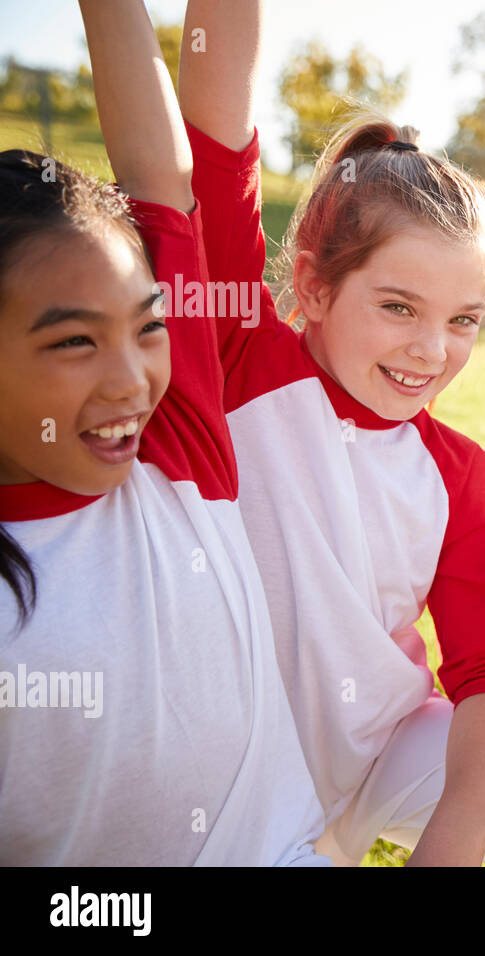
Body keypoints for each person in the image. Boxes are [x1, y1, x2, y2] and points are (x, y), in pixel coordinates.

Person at [175, 0, 485, 866]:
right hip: (220, 775)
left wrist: (453, 844)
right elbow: (213, 138)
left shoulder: (460, 476)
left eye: (463, 319)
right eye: (397, 307)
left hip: (377, 753)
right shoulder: (239, 358)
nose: (432, 351)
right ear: (311, 287)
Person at [0, 0, 325, 865]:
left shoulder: (176, 442)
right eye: (73, 340)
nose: (131, 378)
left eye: (148, 327)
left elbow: (160, 170)